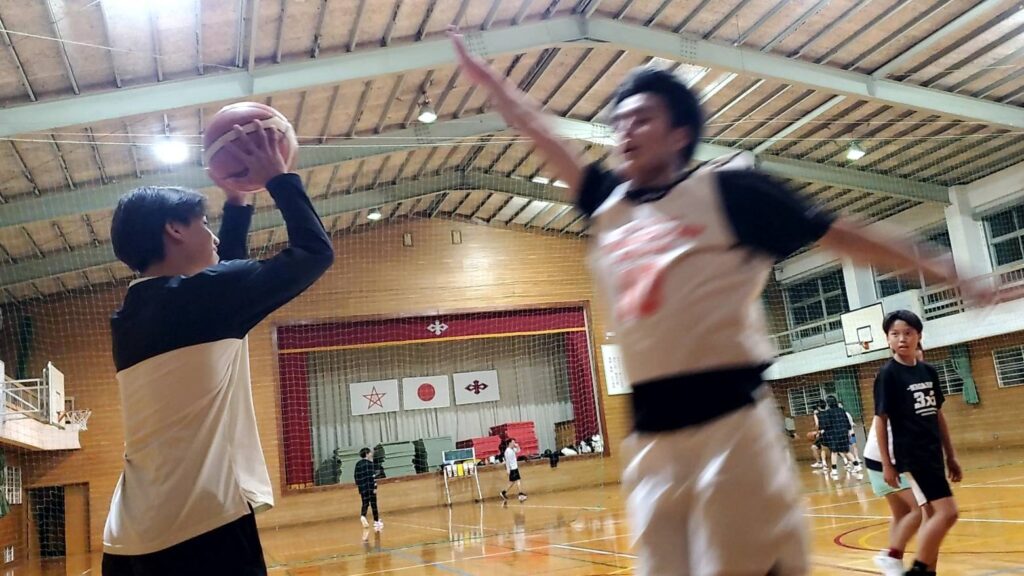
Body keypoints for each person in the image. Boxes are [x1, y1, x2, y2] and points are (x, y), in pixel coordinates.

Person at [450, 29, 985, 575]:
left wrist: (948, 271)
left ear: (680, 133)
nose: (624, 130)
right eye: (619, 122)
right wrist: (488, 79)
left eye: (641, 119)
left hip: (730, 429)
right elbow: (538, 130)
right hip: (651, 440)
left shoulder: (729, 193)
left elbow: (837, 232)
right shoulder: (607, 205)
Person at [102, 123, 334, 575]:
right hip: (200, 528)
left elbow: (222, 276)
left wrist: (236, 204)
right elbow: (315, 251)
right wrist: (278, 178)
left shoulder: (130, 315)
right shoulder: (208, 298)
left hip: (127, 540)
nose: (212, 237)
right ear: (174, 228)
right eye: (204, 225)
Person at [875, 311, 961, 576]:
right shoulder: (888, 375)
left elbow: (938, 414)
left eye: (908, 333)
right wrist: (887, 464)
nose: (902, 339)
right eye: (895, 334)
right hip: (912, 453)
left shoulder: (928, 371)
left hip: (933, 451)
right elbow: (880, 421)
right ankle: (916, 568)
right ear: (888, 339)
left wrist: (950, 455)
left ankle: (925, 569)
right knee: (948, 513)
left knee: (935, 514)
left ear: (919, 336)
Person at [867, 343, 927, 576]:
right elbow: (882, 424)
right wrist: (887, 464)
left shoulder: (917, 384)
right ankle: (890, 556)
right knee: (918, 511)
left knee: (901, 514)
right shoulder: (893, 385)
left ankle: (893, 562)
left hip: (886, 457)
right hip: (883, 458)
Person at [819, 396, 858, 478]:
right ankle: (857, 465)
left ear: (828, 403)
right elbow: (847, 423)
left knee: (834, 452)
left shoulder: (828, 412)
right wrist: (848, 431)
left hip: (834, 434)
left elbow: (826, 424)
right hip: (843, 433)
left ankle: (834, 471)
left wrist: (823, 430)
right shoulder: (841, 410)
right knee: (846, 451)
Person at [354, 447, 382, 531]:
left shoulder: (358, 464)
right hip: (370, 487)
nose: (371, 454)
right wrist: (375, 487)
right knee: (373, 504)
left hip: (362, 488)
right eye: (370, 453)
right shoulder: (370, 464)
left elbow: (356, 477)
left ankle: (363, 516)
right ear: (367, 454)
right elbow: (373, 477)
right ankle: (376, 522)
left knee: (365, 503)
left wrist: (360, 486)